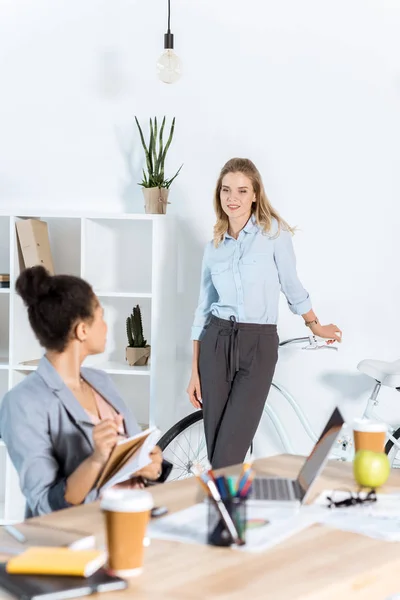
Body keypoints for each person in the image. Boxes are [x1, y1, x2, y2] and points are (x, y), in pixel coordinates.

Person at [187, 158, 342, 469]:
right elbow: (203, 309)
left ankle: (220, 511)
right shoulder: (214, 247)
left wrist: (315, 325)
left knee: (228, 452)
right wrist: (194, 370)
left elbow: (291, 285)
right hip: (215, 343)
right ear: (219, 195)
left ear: (256, 194)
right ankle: (226, 513)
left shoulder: (273, 234)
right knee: (218, 447)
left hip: (258, 346)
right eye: (226, 190)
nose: (233, 198)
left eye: (242, 191)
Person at [0, 266, 171, 517]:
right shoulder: (22, 403)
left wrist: (151, 467)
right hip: (78, 537)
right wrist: (97, 460)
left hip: (133, 520)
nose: (105, 326)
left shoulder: (100, 381)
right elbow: (45, 504)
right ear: (82, 330)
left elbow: (136, 458)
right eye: (100, 316)